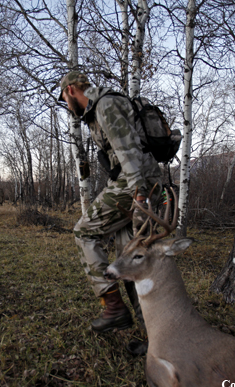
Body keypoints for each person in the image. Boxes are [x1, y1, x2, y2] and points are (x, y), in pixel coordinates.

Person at [58, 71, 162, 336]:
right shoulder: (95, 110)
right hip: (134, 181)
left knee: (84, 231)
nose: (66, 105)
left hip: (136, 182)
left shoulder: (105, 104)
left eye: (64, 98)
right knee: (128, 259)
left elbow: (128, 149)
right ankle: (153, 335)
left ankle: (113, 307)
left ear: (71, 90)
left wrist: (139, 192)